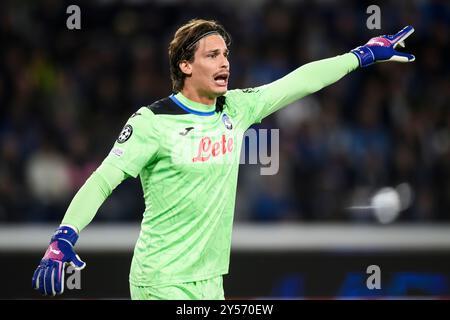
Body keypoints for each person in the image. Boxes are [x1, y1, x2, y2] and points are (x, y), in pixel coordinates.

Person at [32, 19, 415, 299]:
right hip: (161, 281)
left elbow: (298, 82)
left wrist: (361, 55)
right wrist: (64, 235)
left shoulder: (236, 108)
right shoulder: (152, 122)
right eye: (212, 55)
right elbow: (102, 179)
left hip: (211, 281)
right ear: (185, 66)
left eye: (226, 55)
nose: (224, 63)